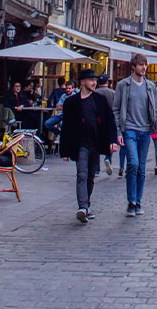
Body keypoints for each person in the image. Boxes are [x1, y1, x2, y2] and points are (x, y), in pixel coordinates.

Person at [60, 67, 117, 224]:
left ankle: (87, 205)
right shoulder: (71, 102)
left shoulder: (99, 100)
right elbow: (67, 127)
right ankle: (83, 207)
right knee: (82, 174)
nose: (94, 83)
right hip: (80, 143)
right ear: (83, 82)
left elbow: (109, 120)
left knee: (91, 176)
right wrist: (64, 150)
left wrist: (112, 140)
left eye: (95, 80)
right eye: (91, 80)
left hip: (96, 143)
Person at [113, 52, 157, 217]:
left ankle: (137, 202)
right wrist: (119, 131)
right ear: (133, 67)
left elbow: (156, 111)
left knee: (141, 168)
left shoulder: (151, 87)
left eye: (145, 64)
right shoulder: (123, 85)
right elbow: (116, 109)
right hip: (129, 130)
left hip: (145, 131)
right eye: (141, 64)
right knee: (133, 164)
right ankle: (131, 201)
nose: (144, 67)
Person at [95, 72, 116, 174]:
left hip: (97, 121)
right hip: (109, 121)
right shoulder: (112, 93)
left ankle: (96, 169)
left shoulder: (94, 93)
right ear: (107, 82)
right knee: (110, 142)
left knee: (96, 144)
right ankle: (108, 158)